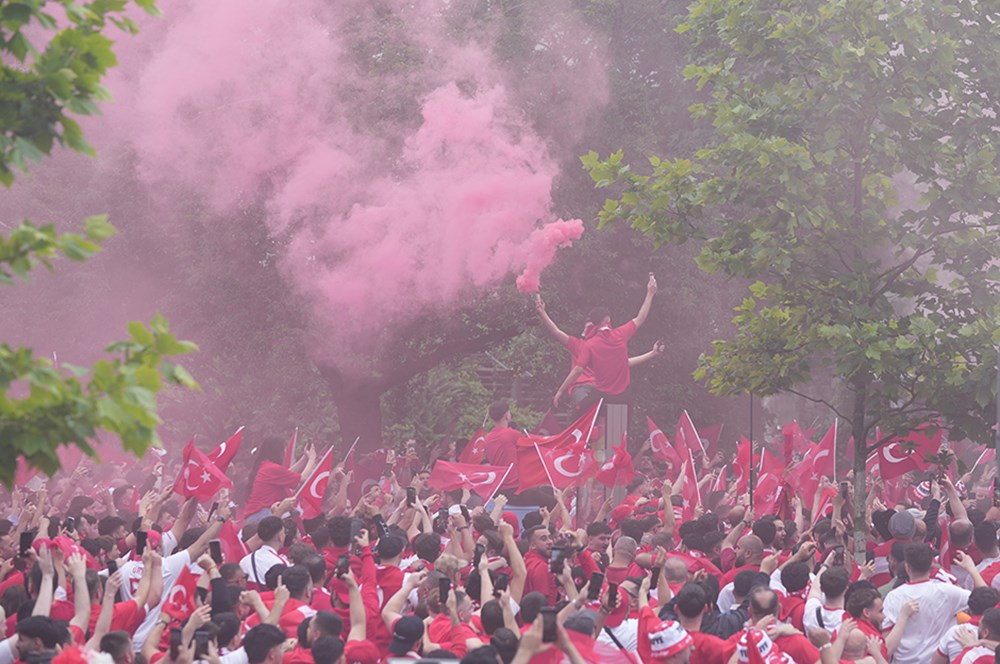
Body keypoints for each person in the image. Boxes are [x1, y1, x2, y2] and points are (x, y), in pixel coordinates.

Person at [535, 294, 663, 414]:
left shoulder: (603, 344)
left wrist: (652, 353)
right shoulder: (579, 345)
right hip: (582, 387)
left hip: (599, 388)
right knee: (587, 410)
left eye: (592, 326)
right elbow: (557, 333)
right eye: (587, 326)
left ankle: (610, 434)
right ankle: (583, 433)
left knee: (612, 413)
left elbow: (625, 363)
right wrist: (542, 313)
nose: (589, 329)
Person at [552, 273, 658, 409]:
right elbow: (640, 318)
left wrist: (561, 390)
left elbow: (578, 370)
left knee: (583, 416)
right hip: (622, 396)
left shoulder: (590, 345)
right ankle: (611, 429)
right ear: (607, 320)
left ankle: (585, 428)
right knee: (617, 428)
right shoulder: (620, 334)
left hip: (602, 395)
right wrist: (650, 293)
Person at [882, 543, 980, 664]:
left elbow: (885, 648)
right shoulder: (947, 592)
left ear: (907, 567)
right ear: (931, 566)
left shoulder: (893, 597)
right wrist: (971, 569)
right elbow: (985, 599)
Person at [243, 436, 318, 523]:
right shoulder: (271, 468)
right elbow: (303, 478)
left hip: (257, 516)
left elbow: (288, 473)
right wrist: (312, 458)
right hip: (262, 515)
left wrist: (305, 458)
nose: (285, 453)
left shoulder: (266, 466)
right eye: (284, 450)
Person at [482, 401, 521, 492]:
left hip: (497, 488)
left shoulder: (487, 438)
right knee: (552, 499)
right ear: (507, 416)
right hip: (515, 487)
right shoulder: (512, 434)